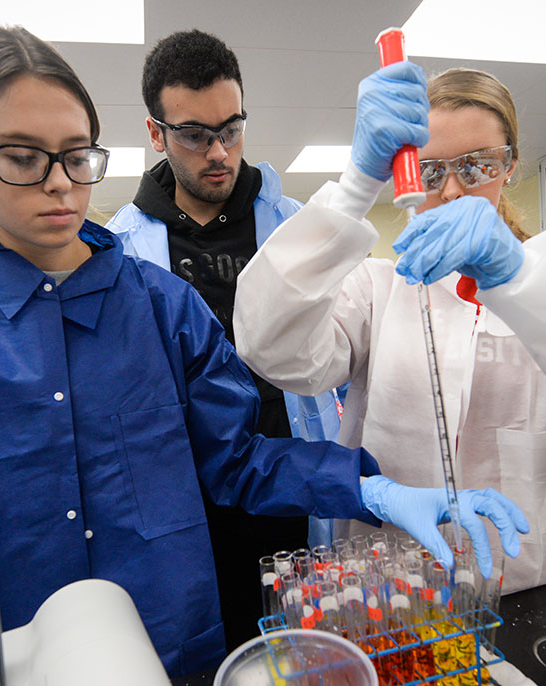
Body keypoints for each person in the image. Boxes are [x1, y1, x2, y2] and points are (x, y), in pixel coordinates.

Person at [0, 26, 527, 676]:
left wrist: (369, 485)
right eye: (24, 159)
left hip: (166, 635)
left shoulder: (159, 301)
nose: (63, 187)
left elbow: (236, 461)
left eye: (76, 157)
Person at [233, 63, 546, 593]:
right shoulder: (377, 290)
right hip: (392, 590)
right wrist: (355, 186)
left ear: (509, 164)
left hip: (529, 588)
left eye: (476, 167)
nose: (450, 192)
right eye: (429, 170)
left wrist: (522, 280)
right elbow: (269, 345)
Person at [104, 29, 337, 649]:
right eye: (195, 134)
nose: (219, 152)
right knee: (213, 644)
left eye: (231, 129)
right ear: (155, 133)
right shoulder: (122, 248)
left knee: (305, 645)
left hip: (290, 474)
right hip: (189, 492)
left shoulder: (294, 226)